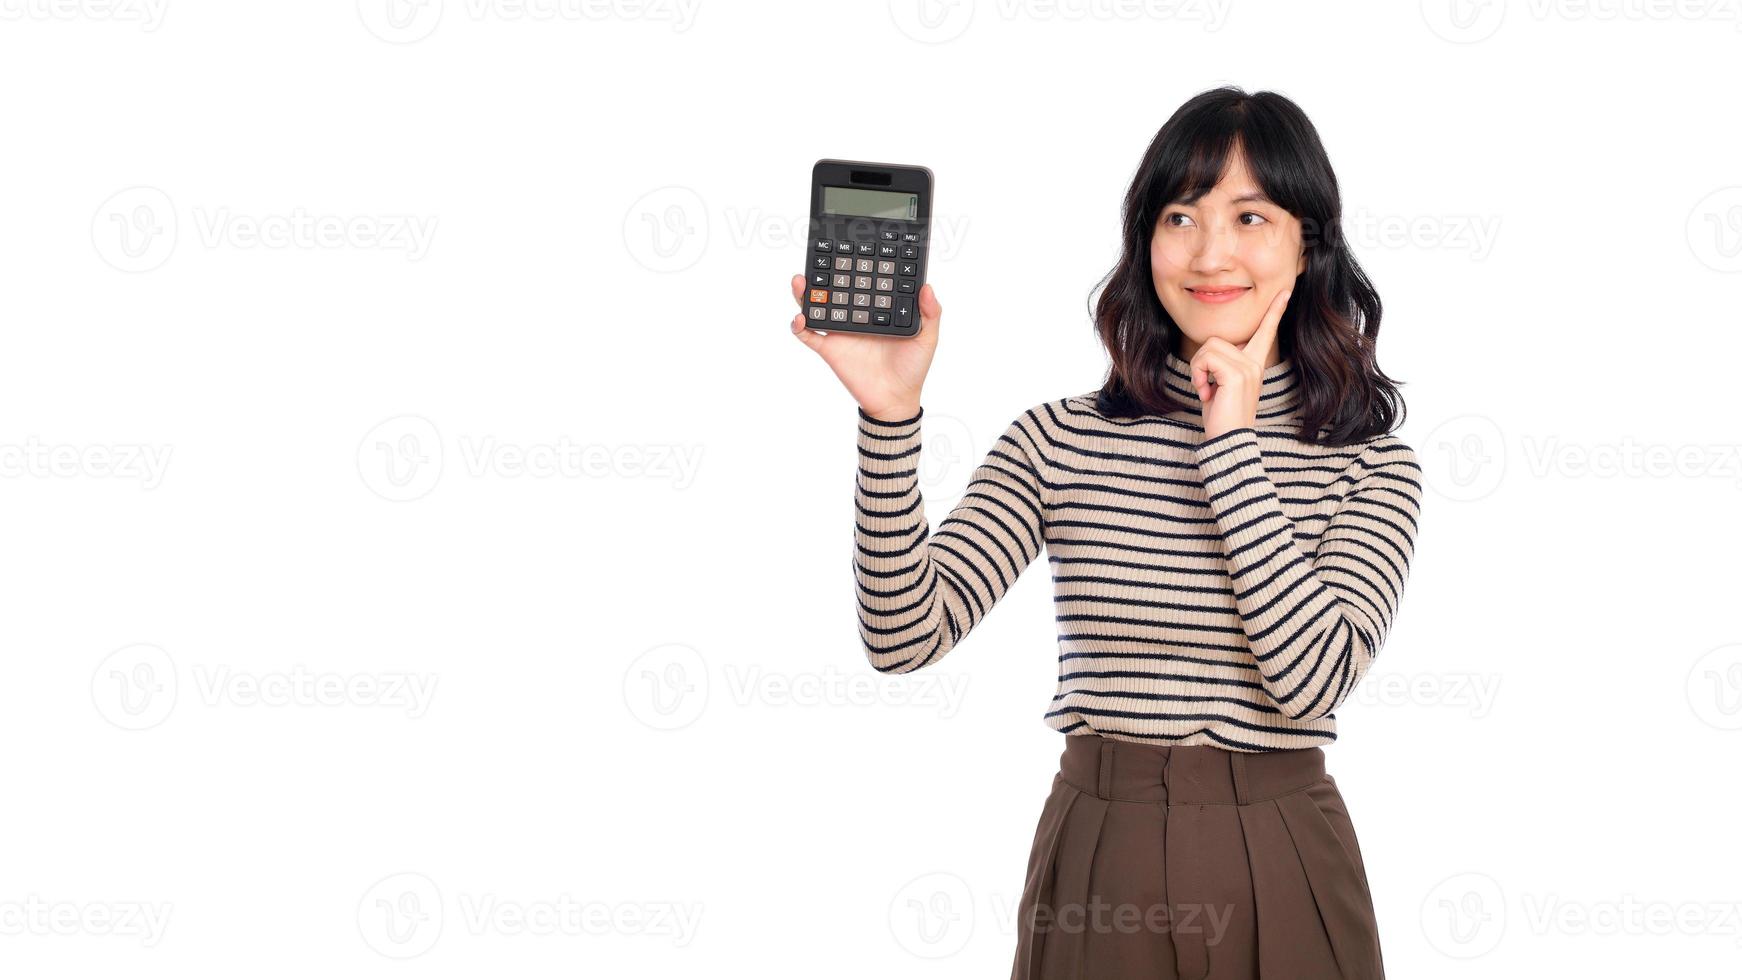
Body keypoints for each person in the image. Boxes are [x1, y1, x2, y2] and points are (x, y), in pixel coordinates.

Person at [789, 85, 1423, 979]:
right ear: (1145, 240)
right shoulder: (1060, 438)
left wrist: (1231, 446)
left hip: (1284, 852)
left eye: (1251, 217)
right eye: (1180, 215)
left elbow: (1308, 679)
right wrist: (891, 420)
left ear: (1306, 244)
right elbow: (902, 637)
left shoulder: (1371, 465)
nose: (1211, 253)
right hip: (1101, 849)